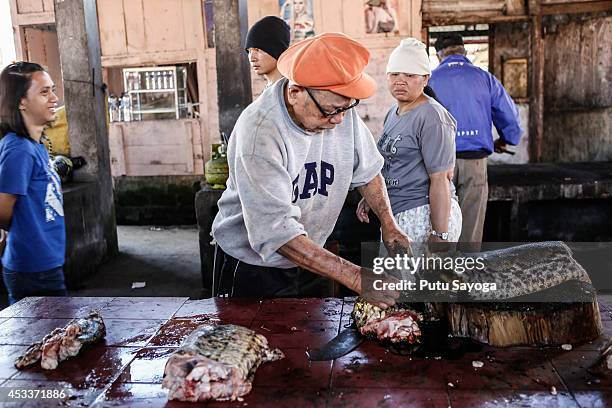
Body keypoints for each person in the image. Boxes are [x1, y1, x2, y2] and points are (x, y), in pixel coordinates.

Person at [212, 33, 410, 308]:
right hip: (255, 266)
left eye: (346, 108)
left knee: (315, 337)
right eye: (330, 111)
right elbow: (277, 233)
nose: (339, 119)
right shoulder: (259, 133)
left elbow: (368, 170)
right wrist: (356, 277)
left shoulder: (338, 109)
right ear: (295, 93)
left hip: (314, 255)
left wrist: (389, 225)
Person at [356, 38, 461, 249]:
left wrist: (440, 234)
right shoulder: (392, 114)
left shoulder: (432, 116)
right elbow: (391, 163)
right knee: (394, 281)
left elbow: (441, 178)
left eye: (410, 75)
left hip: (422, 215)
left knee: (415, 282)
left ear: (425, 79)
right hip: (397, 214)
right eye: (394, 74)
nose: (400, 81)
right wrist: (373, 196)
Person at [429, 33, 523, 246]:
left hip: (439, 165)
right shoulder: (484, 77)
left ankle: (440, 273)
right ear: (464, 51)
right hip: (475, 161)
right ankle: (467, 272)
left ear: (438, 55)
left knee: (440, 224)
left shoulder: (430, 80)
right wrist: (507, 139)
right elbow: (508, 116)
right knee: (471, 227)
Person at [0, 62, 66, 305]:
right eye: (44, 92)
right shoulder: (19, 149)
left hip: (46, 263)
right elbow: (2, 211)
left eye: (53, 90)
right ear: (21, 102)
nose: (54, 98)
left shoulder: (35, 146)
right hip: (32, 269)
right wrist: (26, 232)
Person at [245, 16, 291, 88]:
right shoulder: (270, 89)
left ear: (277, 50)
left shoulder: (292, 92)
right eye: (249, 51)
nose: (252, 58)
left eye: (257, 50)